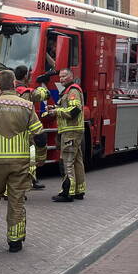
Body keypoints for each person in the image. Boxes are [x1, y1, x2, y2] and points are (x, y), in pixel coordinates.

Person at [0, 70, 44, 252]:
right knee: (16, 199)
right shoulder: (27, 106)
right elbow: (39, 134)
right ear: (13, 83)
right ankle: (15, 240)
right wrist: (40, 157)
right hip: (19, 162)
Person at [51, 68, 87, 203]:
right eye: (60, 77)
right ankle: (79, 190)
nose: (61, 79)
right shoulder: (68, 91)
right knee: (77, 161)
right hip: (73, 130)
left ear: (71, 76)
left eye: (64, 76)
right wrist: (55, 109)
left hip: (71, 131)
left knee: (67, 161)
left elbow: (74, 110)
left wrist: (57, 112)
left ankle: (67, 192)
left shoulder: (72, 91)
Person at [14, 65, 51, 191]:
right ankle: (27, 180)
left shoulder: (8, 90)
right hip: (26, 129)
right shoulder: (27, 92)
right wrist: (43, 86)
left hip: (10, 127)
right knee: (30, 154)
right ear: (25, 76)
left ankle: (31, 179)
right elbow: (43, 95)